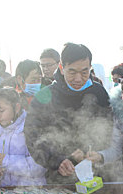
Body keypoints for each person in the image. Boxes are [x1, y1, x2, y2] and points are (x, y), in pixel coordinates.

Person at [24, 42, 114, 184]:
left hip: (96, 176)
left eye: (84, 72)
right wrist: (57, 160)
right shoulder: (44, 96)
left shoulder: (99, 93)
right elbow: (32, 137)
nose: (78, 79)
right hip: (59, 177)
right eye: (72, 72)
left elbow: (109, 131)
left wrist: (97, 153)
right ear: (61, 68)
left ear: (90, 68)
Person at [0, 88, 46, 191]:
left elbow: (40, 166)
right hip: (6, 191)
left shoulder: (30, 128)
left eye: (1, 110)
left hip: (32, 190)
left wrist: (7, 161)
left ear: (16, 107)